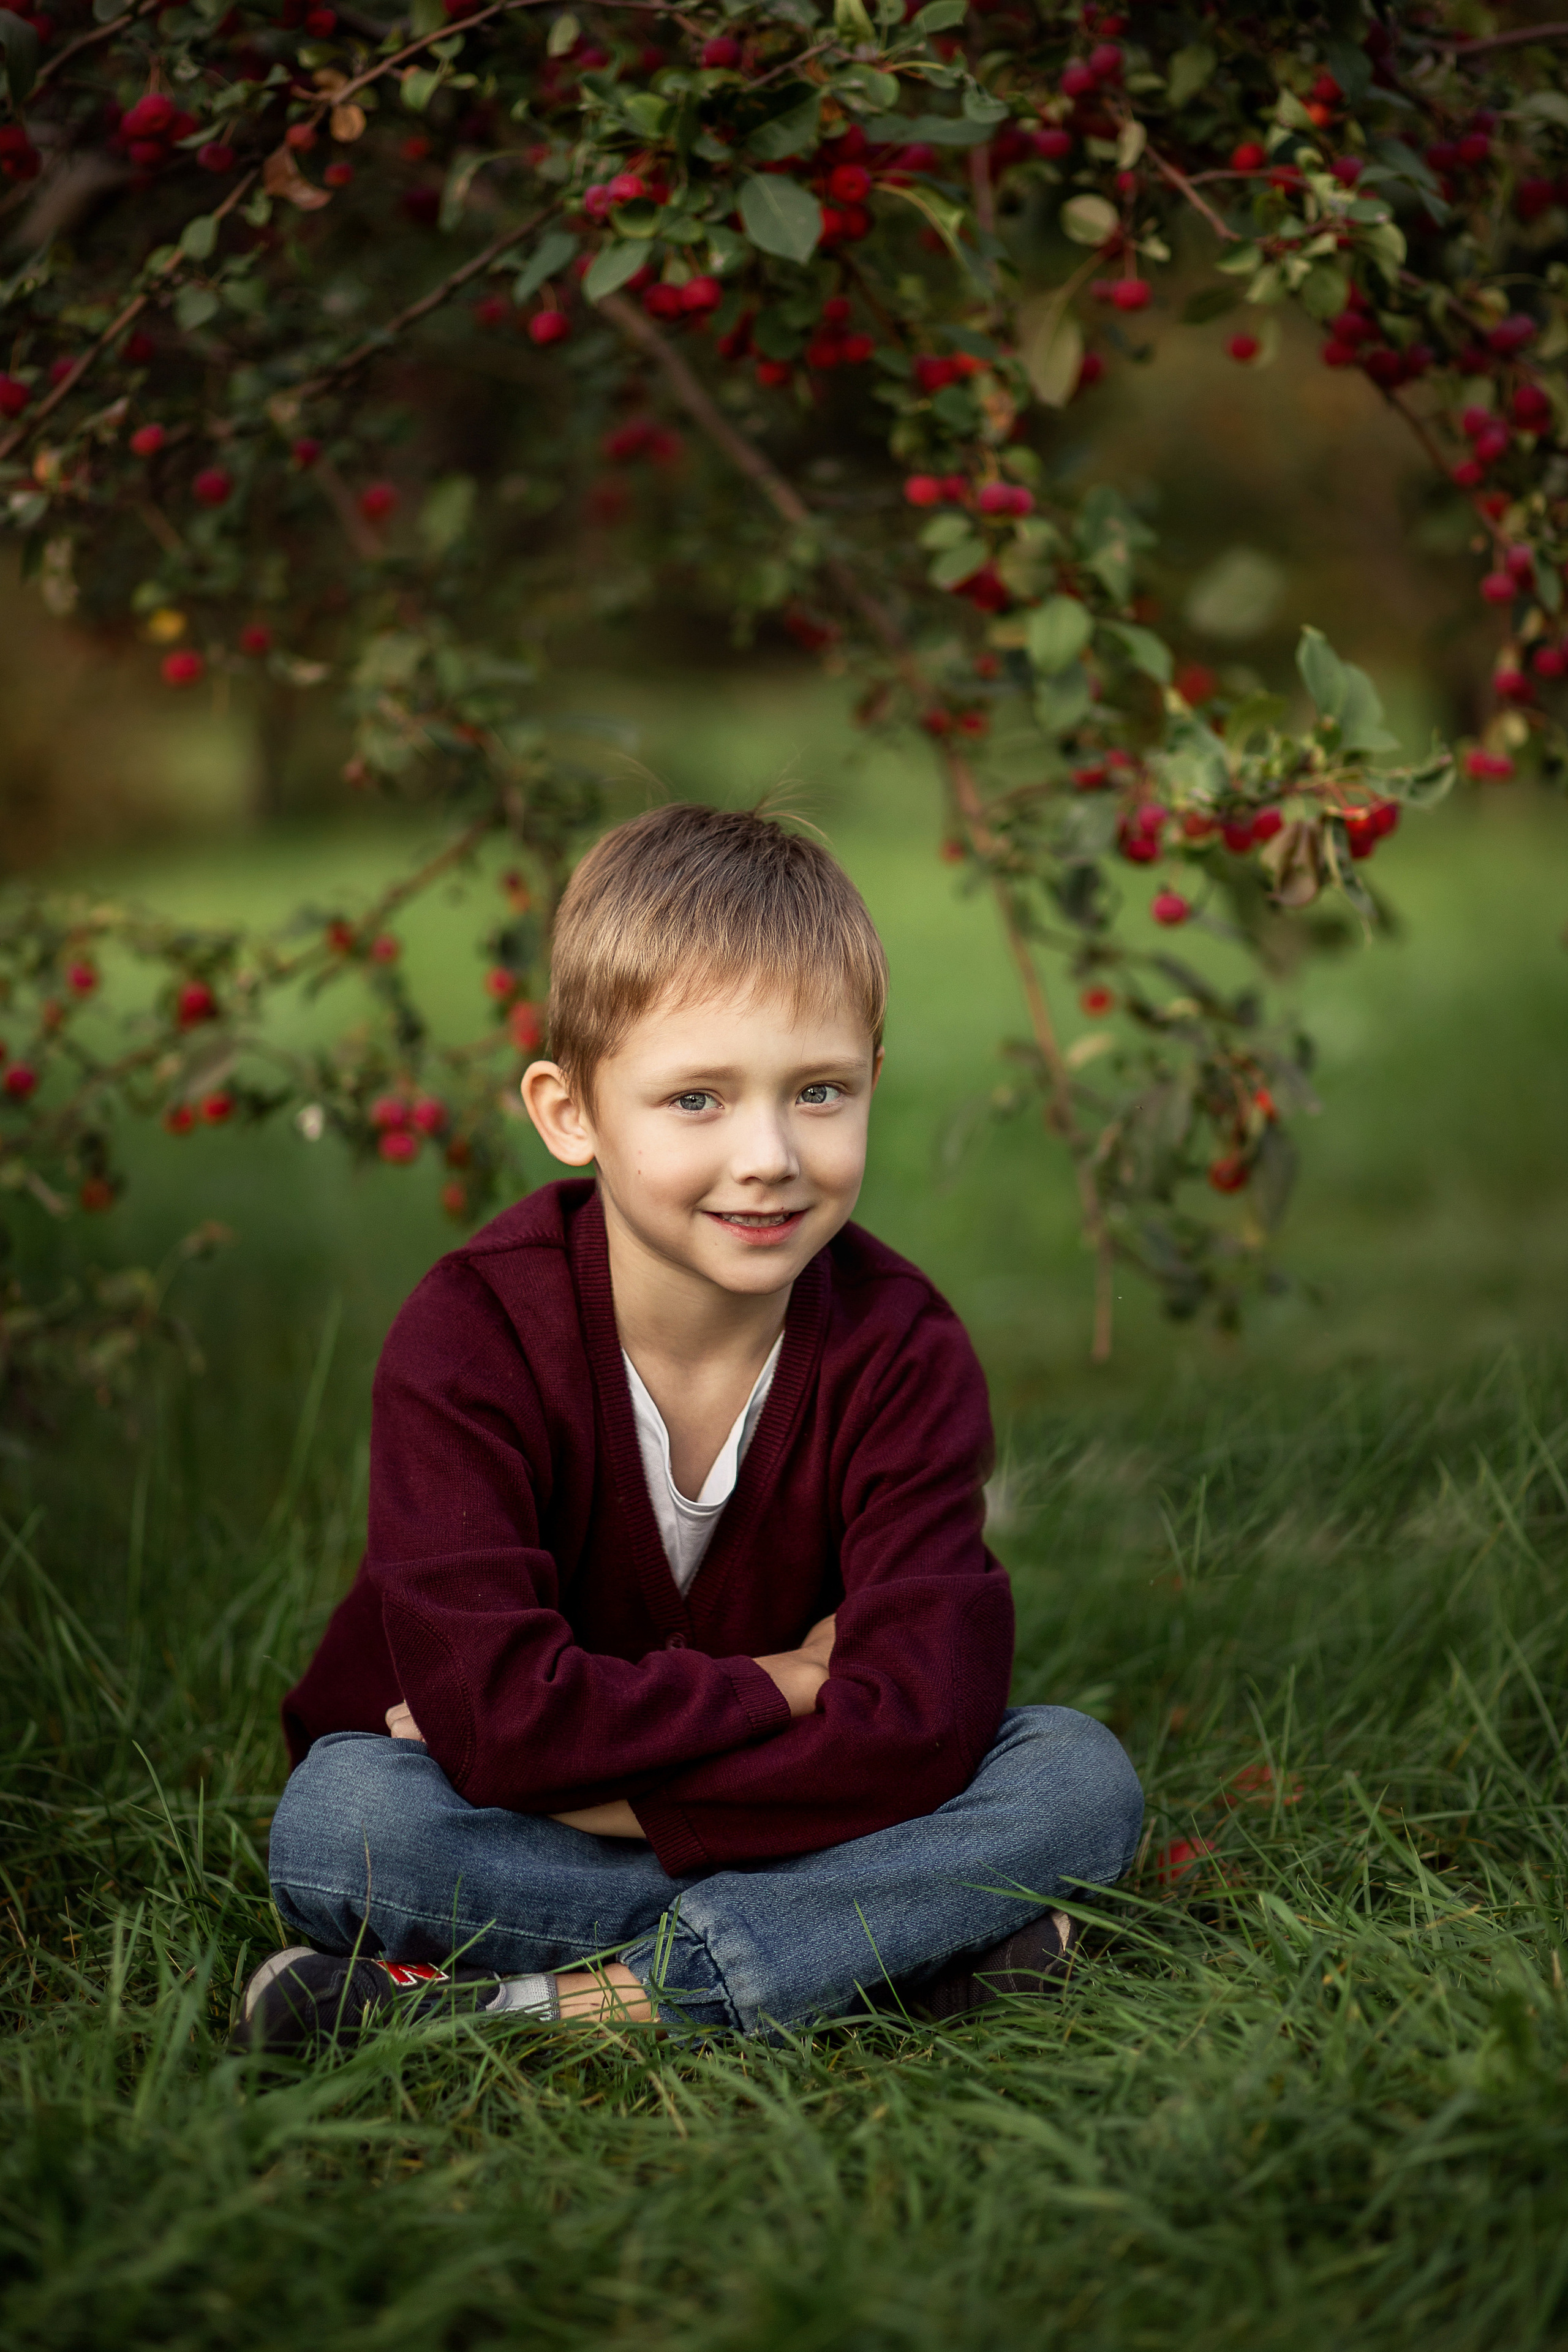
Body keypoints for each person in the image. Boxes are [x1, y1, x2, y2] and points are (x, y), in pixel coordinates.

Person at [238, 804, 1142, 2054]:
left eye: (818, 1090)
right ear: (570, 1113)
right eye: (697, 1099)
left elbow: (927, 1722)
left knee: (1074, 1777)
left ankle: (539, 2011)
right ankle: (886, 1942)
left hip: (606, 1816)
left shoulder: (903, 1350)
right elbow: (498, 1726)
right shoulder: (470, 1339)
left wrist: (598, 1776)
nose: (768, 1154)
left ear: (871, 1077)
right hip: (504, 1820)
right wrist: (792, 1685)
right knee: (343, 1818)